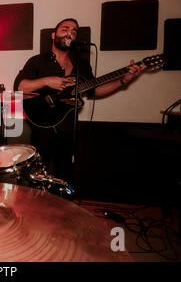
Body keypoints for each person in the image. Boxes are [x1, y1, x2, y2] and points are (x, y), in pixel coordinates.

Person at [14, 18, 145, 186]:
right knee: (38, 174)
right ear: (53, 35)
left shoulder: (81, 65)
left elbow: (94, 90)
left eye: (74, 31)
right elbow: (21, 87)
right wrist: (47, 81)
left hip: (69, 126)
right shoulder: (38, 60)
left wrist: (123, 81)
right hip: (42, 124)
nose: (70, 32)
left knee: (65, 174)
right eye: (65, 28)